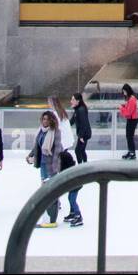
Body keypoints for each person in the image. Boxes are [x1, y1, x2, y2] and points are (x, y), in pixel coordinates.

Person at [50, 96, 82, 227]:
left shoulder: (64, 157)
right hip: (73, 181)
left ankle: (78, 215)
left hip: (75, 182)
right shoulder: (62, 114)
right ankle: (73, 213)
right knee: (71, 198)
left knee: (72, 199)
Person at [27, 110, 62, 227]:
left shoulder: (55, 132)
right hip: (42, 164)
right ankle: (46, 217)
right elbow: (37, 146)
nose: (45, 121)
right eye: (43, 119)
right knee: (44, 190)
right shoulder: (41, 131)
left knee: (51, 191)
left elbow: (58, 150)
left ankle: (51, 219)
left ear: (51, 120)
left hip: (51, 166)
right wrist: (31, 155)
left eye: (47, 119)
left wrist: (55, 166)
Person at [118, 84, 138, 160]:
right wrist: (124, 106)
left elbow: (128, 113)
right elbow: (129, 109)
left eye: (124, 91)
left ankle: (132, 153)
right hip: (131, 119)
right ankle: (130, 151)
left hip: (132, 119)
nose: (123, 93)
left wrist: (121, 108)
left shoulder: (132, 99)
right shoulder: (130, 99)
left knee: (130, 136)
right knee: (128, 136)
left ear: (127, 91)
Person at [71, 93, 92, 166]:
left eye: (73, 99)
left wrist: (81, 136)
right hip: (83, 133)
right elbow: (72, 121)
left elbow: (84, 124)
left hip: (84, 134)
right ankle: (85, 166)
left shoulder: (81, 110)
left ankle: (81, 167)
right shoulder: (78, 109)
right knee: (82, 150)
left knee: (77, 150)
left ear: (78, 101)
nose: (71, 101)